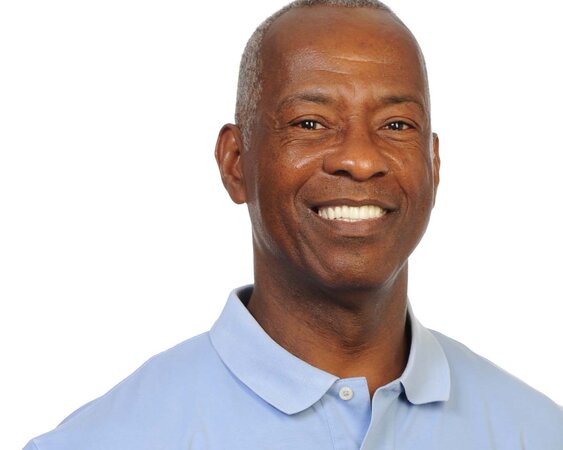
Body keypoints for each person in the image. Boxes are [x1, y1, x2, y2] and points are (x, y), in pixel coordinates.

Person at [23, 0, 563, 449]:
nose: (360, 159)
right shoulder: (104, 440)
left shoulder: (539, 433)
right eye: (310, 122)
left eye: (397, 125)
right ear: (236, 162)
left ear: (434, 164)